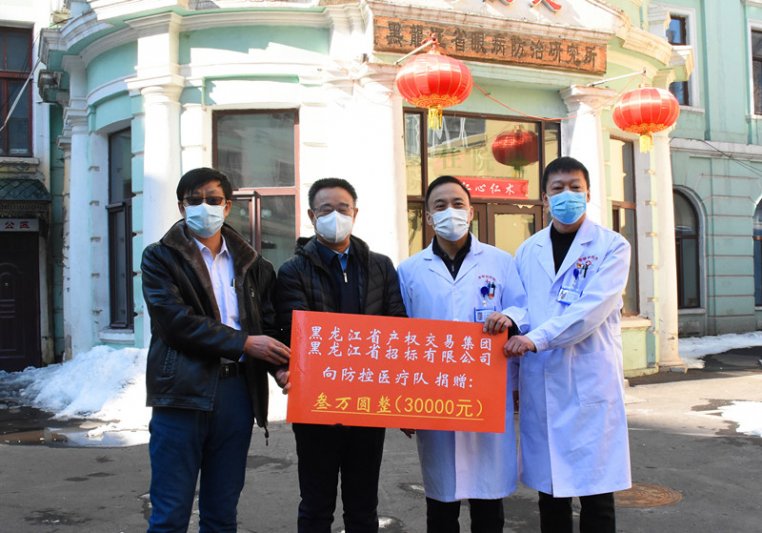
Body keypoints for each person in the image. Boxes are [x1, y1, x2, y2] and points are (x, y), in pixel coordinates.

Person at [141, 167, 291, 532]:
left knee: (222, 513)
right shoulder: (160, 258)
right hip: (182, 393)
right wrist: (244, 343)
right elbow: (176, 323)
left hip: (237, 393)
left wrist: (280, 367)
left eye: (213, 199)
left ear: (227, 207)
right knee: (169, 515)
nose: (204, 207)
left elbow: (267, 326)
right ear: (181, 207)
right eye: (195, 200)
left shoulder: (255, 265)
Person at [503, 156, 632, 533]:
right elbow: (522, 306)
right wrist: (509, 319)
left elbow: (590, 311)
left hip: (589, 383)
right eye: (558, 189)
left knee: (597, 497)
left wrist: (535, 339)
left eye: (575, 187)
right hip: (541, 384)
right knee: (550, 495)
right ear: (545, 198)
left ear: (588, 194)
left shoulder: (612, 246)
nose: (567, 195)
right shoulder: (528, 251)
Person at [396, 175, 529, 533]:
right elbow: (400, 336)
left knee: (488, 504)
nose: (450, 211)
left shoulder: (500, 262)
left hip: (486, 394)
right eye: (440, 206)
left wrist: (509, 317)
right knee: (441, 505)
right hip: (433, 394)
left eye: (458, 204)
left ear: (470, 212)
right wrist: (402, 402)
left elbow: (523, 308)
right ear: (428, 217)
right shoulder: (409, 270)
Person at [274, 178, 406, 533]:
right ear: (311, 216)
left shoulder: (380, 266)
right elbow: (291, 330)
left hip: (368, 403)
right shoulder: (293, 271)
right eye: (326, 209)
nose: (335, 215)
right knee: (316, 506)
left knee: (363, 506)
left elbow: (397, 325)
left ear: (355, 213)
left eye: (343, 208)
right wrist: (285, 370)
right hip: (316, 405)